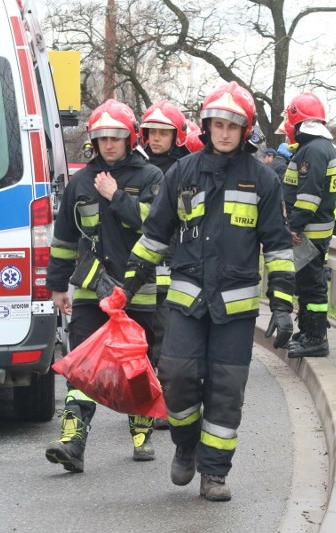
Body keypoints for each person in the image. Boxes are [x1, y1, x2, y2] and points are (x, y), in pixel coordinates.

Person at [124, 82, 295, 501]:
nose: (223, 133)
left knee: (226, 389)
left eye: (231, 126)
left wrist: (285, 305)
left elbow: (277, 245)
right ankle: (185, 445)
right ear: (206, 127)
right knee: (176, 376)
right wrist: (126, 286)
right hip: (186, 300)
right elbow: (155, 234)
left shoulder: (263, 181)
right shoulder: (182, 172)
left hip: (234, 309)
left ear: (245, 130)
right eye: (217, 125)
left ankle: (214, 473)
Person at [45, 99, 164, 472]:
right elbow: (64, 238)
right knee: (82, 367)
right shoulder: (80, 182)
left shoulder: (151, 178)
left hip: (137, 290)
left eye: (115, 138)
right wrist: (57, 285)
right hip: (89, 291)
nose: (108, 145)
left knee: (138, 366)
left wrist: (116, 197)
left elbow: (155, 227)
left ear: (130, 139)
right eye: (101, 138)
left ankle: (142, 434)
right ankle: (72, 443)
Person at [139, 100, 191, 430]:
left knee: (168, 332)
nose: (156, 138)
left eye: (163, 133)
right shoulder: (136, 167)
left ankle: (166, 400)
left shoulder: (186, 167)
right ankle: (147, 399)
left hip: (175, 260)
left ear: (177, 136)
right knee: (145, 333)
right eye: (152, 132)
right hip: (142, 260)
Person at [277, 93, 336, 359]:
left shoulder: (312, 151)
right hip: (314, 230)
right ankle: (308, 331)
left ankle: (316, 338)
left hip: (309, 232)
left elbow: (309, 195)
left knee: (311, 286)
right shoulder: (320, 147)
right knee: (307, 283)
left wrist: (294, 225)